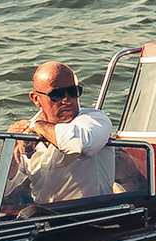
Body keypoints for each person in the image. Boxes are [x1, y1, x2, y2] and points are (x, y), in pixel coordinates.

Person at [7, 60, 124, 204]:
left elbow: (81, 145)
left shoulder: (95, 120)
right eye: (57, 94)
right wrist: (12, 149)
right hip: (45, 219)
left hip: (94, 216)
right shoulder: (25, 135)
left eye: (73, 92)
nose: (67, 100)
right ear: (36, 99)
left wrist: (37, 127)